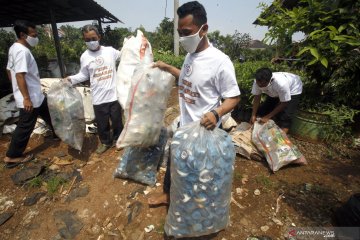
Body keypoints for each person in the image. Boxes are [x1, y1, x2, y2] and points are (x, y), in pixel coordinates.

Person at [147, 1, 241, 205]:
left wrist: (217, 113)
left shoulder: (220, 61)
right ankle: (168, 194)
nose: (182, 37)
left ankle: (195, 206)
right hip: (184, 127)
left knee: (199, 174)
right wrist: (168, 67)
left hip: (203, 132)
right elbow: (189, 79)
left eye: (186, 32)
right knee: (174, 162)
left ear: (204, 29)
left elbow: (234, 97)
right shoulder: (191, 55)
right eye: (179, 32)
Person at [4, 20, 58, 168]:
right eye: (33, 35)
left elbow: (9, 70)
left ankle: (57, 133)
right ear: (22, 34)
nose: (36, 37)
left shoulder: (14, 48)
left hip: (35, 95)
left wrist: (15, 89)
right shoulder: (22, 51)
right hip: (30, 98)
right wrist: (26, 98)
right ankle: (12, 156)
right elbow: (20, 75)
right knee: (25, 126)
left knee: (49, 113)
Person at [67, 25, 123, 155]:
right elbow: (84, 75)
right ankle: (105, 142)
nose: (91, 41)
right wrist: (70, 79)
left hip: (114, 94)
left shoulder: (110, 51)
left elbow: (124, 56)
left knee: (117, 121)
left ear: (99, 37)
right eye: (87, 40)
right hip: (98, 97)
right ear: (84, 40)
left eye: (93, 38)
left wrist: (131, 44)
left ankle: (118, 139)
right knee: (102, 124)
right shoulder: (84, 56)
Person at [250, 67, 303, 133]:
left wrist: (268, 117)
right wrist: (253, 115)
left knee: (285, 116)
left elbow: (284, 103)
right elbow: (257, 97)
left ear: (270, 80)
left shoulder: (281, 84)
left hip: (293, 89)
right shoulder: (257, 81)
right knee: (263, 110)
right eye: (259, 84)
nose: (260, 86)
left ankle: (282, 137)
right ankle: (259, 132)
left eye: (263, 84)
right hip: (274, 91)